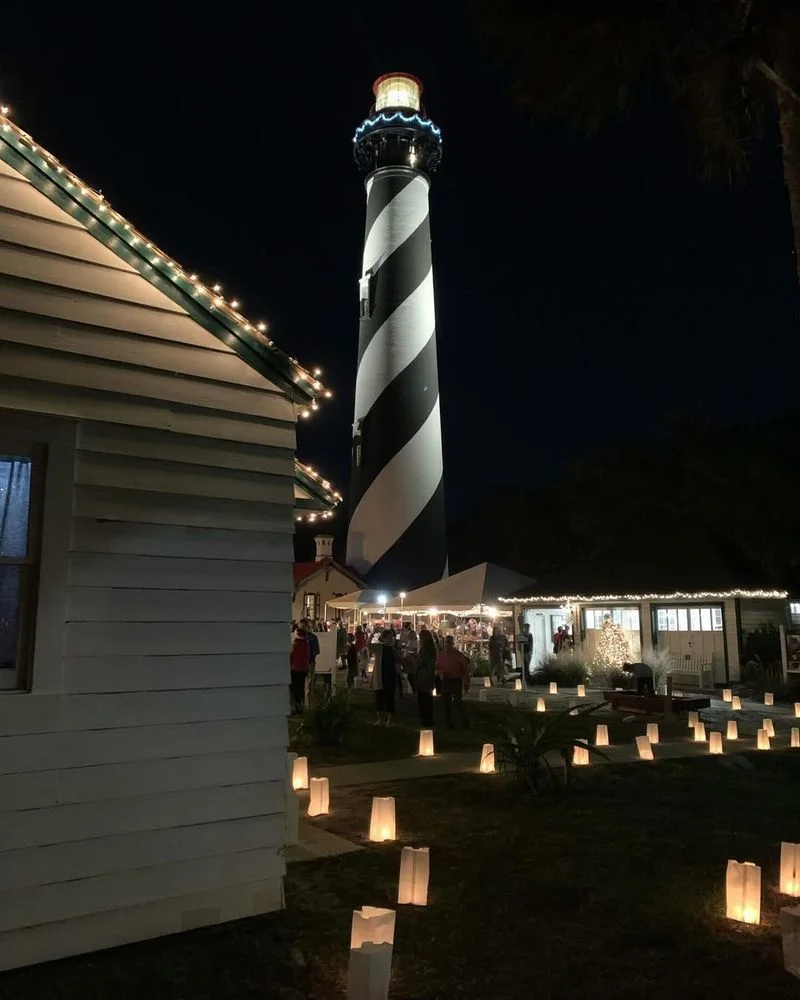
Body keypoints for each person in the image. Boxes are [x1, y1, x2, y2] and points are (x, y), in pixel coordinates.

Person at [436, 634, 470, 728]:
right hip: (446, 680)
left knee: (458, 701)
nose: (447, 644)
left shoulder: (458, 655)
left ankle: (464, 721)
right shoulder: (441, 655)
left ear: (452, 643)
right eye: (446, 642)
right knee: (446, 702)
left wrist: (466, 681)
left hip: (456, 680)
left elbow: (465, 668)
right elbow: (437, 667)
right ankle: (449, 722)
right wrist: (440, 672)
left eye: (449, 642)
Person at [372, 629, 398, 726]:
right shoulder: (379, 647)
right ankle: (380, 719)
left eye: (391, 638)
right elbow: (368, 645)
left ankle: (388, 719)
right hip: (381, 675)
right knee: (379, 697)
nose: (390, 639)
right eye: (388, 637)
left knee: (389, 697)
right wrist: (372, 634)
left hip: (390, 675)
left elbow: (398, 659)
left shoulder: (393, 649)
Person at [416, 628, 437, 727]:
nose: (420, 639)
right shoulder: (430, 649)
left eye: (421, 637)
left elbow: (425, 662)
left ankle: (426, 719)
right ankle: (427, 719)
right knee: (426, 698)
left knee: (424, 698)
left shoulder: (426, 649)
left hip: (424, 675)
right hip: (426, 675)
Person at [289, 627, 310, 714]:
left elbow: (291, 656)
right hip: (303, 669)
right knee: (301, 688)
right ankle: (301, 707)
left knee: (294, 689)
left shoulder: (295, 644)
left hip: (294, 669)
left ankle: (295, 707)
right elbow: (308, 656)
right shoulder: (306, 644)